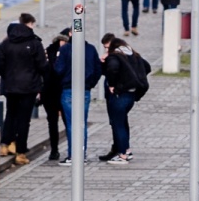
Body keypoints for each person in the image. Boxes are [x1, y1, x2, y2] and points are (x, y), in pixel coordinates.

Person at [0, 13, 48, 166]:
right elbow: (42, 65)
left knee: (10, 114)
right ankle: (21, 152)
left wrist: (9, 76)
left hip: (11, 86)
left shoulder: (6, 43)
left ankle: (4, 145)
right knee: (24, 120)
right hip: (29, 87)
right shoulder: (35, 43)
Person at [53, 28, 103, 166]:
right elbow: (98, 70)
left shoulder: (65, 49)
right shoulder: (91, 49)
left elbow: (58, 69)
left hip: (69, 89)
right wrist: (90, 84)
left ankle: (73, 155)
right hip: (84, 90)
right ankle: (82, 154)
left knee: (71, 124)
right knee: (82, 123)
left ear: (70, 34)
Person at [100, 38, 150, 165]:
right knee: (123, 122)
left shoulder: (115, 56)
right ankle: (126, 150)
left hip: (120, 95)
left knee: (118, 124)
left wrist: (112, 84)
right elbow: (147, 67)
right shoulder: (133, 55)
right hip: (132, 95)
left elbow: (112, 69)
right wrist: (136, 77)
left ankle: (123, 154)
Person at [42, 30, 69, 161]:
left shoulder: (46, 53)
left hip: (51, 92)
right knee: (64, 121)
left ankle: (55, 151)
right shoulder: (65, 52)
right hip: (59, 91)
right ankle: (65, 150)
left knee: (55, 122)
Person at [99, 32, 119, 161]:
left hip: (116, 92)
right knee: (114, 122)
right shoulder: (110, 58)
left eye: (108, 47)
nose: (107, 50)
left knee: (118, 121)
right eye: (105, 48)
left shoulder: (117, 57)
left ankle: (121, 149)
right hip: (110, 93)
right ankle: (117, 147)